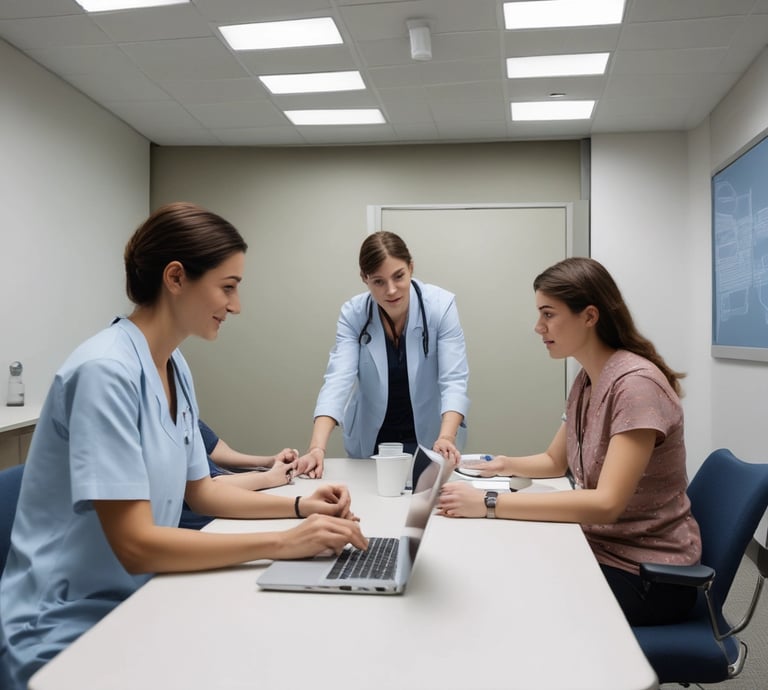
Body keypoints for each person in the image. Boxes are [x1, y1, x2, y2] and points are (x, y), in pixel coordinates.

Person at [0, 202, 367, 689]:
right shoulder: (105, 372)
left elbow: (204, 493)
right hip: (62, 627)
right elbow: (134, 544)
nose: (236, 306)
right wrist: (284, 544)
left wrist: (300, 507)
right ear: (176, 278)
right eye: (228, 287)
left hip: (137, 599)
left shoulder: (174, 366)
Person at [437, 257, 702, 627]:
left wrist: (489, 502)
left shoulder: (636, 385)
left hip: (648, 574)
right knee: (501, 561)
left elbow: (606, 503)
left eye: (548, 314)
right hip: (603, 546)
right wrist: (504, 464)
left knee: (506, 596)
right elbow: (554, 461)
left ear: (589, 316)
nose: (538, 326)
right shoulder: (589, 379)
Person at [296, 230, 470, 478]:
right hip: (374, 440)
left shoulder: (440, 307)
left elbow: (454, 380)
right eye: (378, 281)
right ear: (364, 278)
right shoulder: (354, 315)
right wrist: (316, 448)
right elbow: (338, 380)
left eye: (398, 276)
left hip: (432, 438)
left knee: (427, 506)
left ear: (411, 267)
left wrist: (446, 436)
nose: (391, 290)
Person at [178, 420, 299, 529]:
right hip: (203, 524)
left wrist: (269, 462)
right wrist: (269, 478)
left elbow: (215, 449)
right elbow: (207, 490)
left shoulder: (183, 403)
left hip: (219, 513)